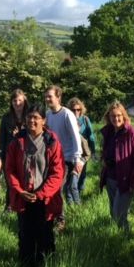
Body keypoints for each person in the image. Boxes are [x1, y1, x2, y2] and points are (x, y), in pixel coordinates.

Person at [5, 104, 64, 267]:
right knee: (25, 233)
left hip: (45, 198)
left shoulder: (52, 142)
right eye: (29, 117)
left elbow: (57, 173)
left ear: (43, 121)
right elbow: (10, 169)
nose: (32, 120)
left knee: (44, 233)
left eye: (36, 118)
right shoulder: (17, 142)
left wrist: (40, 194)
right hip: (23, 196)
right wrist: (19, 190)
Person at [44, 85, 83, 230]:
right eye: (46, 96)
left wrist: (77, 158)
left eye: (50, 96)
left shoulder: (67, 114)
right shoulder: (48, 114)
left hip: (66, 159)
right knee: (49, 188)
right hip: (51, 158)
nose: (47, 99)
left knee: (57, 189)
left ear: (58, 97)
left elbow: (75, 137)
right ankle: (51, 216)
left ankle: (60, 220)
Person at [99, 101, 134, 232]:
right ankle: (117, 237)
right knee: (113, 211)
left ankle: (125, 235)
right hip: (111, 177)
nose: (116, 119)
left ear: (124, 116)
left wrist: (133, 181)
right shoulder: (108, 132)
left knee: (119, 212)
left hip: (125, 179)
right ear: (109, 117)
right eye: (112, 116)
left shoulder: (132, 133)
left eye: (118, 115)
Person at [0, 89, 29, 208]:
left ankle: (23, 207)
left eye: (20, 100)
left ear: (24, 101)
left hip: (26, 154)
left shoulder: (30, 116)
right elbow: (2, 139)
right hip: (9, 154)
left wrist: (20, 134)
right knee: (10, 181)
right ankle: (9, 206)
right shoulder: (6, 118)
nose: (17, 103)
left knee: (24, 182)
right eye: (15, 100)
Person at [67, 97, 97, 194]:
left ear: (81, 109)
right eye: (73, 109)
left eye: (78, 109)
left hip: (83, 151)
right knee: (71, 174)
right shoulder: (67, 119)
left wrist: (93, 151)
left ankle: (80, 192)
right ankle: (71, 194)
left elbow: (91, 136)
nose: (76, 111)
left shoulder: (85, 119)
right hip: (70, 150)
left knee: (82, 173)